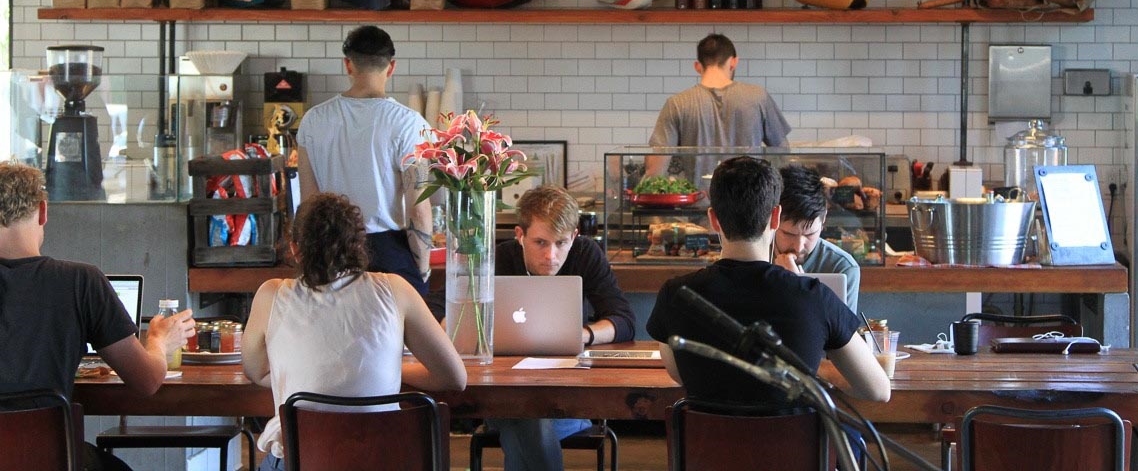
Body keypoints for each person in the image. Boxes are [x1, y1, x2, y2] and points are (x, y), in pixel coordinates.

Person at [243, 192, 466, 471]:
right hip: (384, 463)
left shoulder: (272, 295)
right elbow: (455, 377)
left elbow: (255, 371)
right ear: (359, 243)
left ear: (295, 248)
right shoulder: (396, 289)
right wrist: (392, 371)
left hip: (303, 462)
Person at [645, 156, 889, 408]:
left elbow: (679, 375)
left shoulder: (675, 295)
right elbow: (879, 390)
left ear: (713, 219)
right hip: (795, 435)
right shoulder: (815, 296)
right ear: (776, 218)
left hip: (705, 435)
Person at [0, 162, 196, 470]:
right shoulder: (79, 282)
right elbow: (146, 381)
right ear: (43, 211)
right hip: (50, 458)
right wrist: (159, 341)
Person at [489, 185, 636, 471]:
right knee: (525, 416)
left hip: (566, 396)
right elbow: (441, 310)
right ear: (520, 235)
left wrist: (582, 334)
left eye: (561, 243)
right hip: (505, 390)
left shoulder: (585, 253)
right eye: (540, 243)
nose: (551, 255)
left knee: (526, 420)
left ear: (574, 237)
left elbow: (624, 321)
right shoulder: (500, 257)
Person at [296, 25, 433, 296]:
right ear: (391, 67)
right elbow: (418, 209)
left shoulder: (313, 120)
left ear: (348, 65)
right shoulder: (408, 123)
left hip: (329, 249)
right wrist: (422, 269)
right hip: (387, 252)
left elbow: (308, 203)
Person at [645, 33, 791, 182]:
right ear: (733, 62)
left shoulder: (677, 104)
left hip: (699, 196)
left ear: (697, 66)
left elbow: (655, 169)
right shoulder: (758, 97)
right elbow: (784, 155)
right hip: (750, 194)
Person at [774, 164, 861, 312]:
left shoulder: (842, 268)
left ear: (823, 219)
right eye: (789, 234)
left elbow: (840, 328)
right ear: (772, 220)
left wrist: (799, 290)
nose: (799, 247)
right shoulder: (755, 257)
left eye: (809, 234)